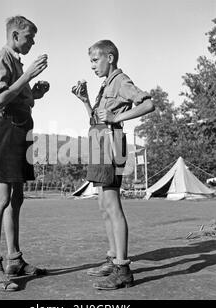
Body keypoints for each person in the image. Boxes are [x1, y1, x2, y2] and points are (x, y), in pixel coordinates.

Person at [72, 40, 154, 290]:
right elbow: (97, 118)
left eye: (95, 61)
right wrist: (85, 100)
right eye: (91, 62)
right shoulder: (105, 84)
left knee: (112, 204)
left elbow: (148, 103)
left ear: (110, 57)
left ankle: (123, 269)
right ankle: (113, 258)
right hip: (99, 140)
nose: (92, 66)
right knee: (103, 205)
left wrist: (117, 117)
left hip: (110, 141)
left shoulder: (120, 80)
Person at [0, 15, 49, 291]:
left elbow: (16, 94)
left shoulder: (15, 62)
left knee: (17, 197)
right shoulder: (1, 57)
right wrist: (28, 76)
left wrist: (34, 94)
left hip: (21, 129)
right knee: (1, 197)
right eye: (29, 37)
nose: (32, 42)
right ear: (14, 36)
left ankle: (15, 259)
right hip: (8, 128)